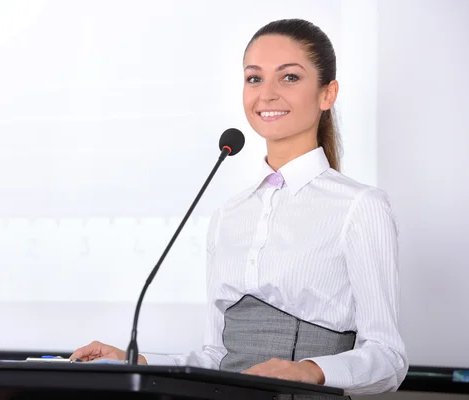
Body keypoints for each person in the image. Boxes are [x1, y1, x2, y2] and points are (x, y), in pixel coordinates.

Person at [70, 18, 409, 397]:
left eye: (290, 77)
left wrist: (311, 370)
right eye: (254, 78)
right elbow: (217, 357)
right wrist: (135, 362)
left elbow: (389, 358)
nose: (267, 94)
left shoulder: (361, 207)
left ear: (327, 94)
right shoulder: (228, 216)